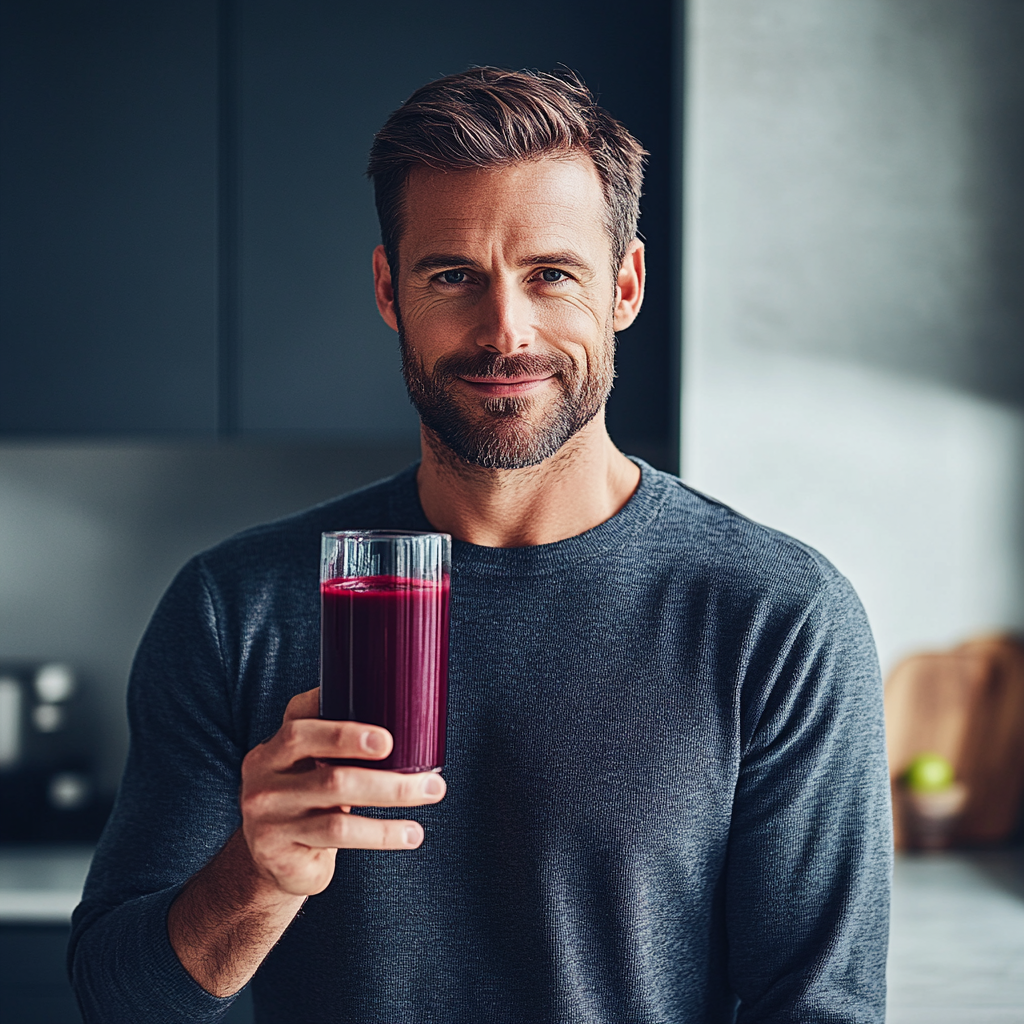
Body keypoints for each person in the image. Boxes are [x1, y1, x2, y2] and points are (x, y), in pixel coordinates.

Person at [69, 67, 891, 1023]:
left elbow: (820, 1007)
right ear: (390, 291)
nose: (506, 330)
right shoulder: (236, 605)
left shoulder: (777, 617)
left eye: (552, 273)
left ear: (624, 286)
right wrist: (256, 879)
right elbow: (119, 1001)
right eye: (453, 275)